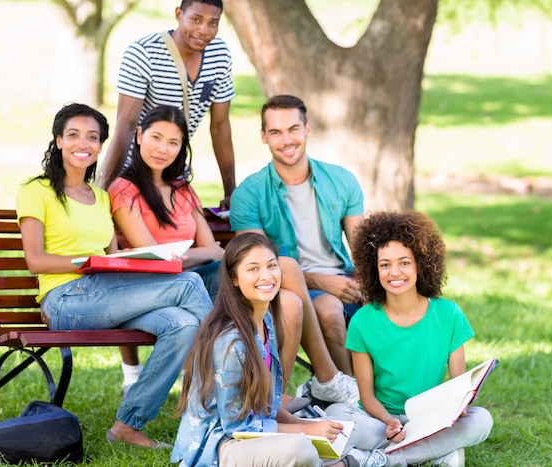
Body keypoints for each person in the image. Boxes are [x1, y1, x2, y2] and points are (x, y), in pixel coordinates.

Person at [108, 104, 357, 408]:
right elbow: (158, 261)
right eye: (156, 138)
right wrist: (191, 254)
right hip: (166, 289)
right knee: (286, 268)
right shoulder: (123, 189)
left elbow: (213, 248)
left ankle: (271, 398)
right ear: (138, 136)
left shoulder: (181, 189)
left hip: (203, 279)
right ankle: (328, 378)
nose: (163, 149)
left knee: (290, 298)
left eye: (173, 142)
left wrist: (185, 255)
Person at [16, 103, 213, 448]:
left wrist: (132, 260)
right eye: (74, 135)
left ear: (101, 145)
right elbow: (36, 260)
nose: (84, 143)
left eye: (93, 137)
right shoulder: (36, 191)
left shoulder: (101, 197)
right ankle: (235, 388)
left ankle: (126, 426)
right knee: (191, 283)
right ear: (59, 140)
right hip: (65, 300)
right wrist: (86, 262)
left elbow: (115, 258)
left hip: (104, 293)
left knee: (182, 323)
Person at [171, 233, 374, 466]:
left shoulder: (265, 319)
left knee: (350, 431)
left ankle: (341, 459)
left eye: (272, 266)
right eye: (253, 269)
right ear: (234, 278)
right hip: (222, 444)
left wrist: (305, 425)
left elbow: (266, 403)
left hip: (258, 434)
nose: (266, 276)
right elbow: (237, 426)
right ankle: (343, 463)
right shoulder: (231, 342)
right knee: (301, 449)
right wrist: (306, 433)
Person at [324, 211, 494, 467]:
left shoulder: (448, 314)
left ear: (421, 264)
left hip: (430, 418)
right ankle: (434, 450)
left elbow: (460, 385)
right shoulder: (362, 321)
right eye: (385, 264)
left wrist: (460, 406)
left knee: (481, 420)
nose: (395, 272)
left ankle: (376, 459)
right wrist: (388, 422)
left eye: (404, 262)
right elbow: (366, 396)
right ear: (374, 268)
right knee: (335, 413)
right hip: (380, 421)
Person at [230, 94, 364, 377]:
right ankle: (351, 394)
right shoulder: (249, 194)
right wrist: (322, 282)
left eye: (293, 129)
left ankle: (400, 394)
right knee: (329, 310)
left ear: (307, 129)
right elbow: (258, 267)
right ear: (264, 137)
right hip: (287, 287)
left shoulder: (341, 181)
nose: (286, 140)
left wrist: (368, 283)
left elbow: (362, 248)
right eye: (276, 132)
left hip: (345, 280)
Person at [100, 0, 236, 210]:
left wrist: (231, 192)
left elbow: (220, 127)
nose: (204, 30)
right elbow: (126, 125)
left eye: (213, 23)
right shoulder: (143, 53)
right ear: (179, 14)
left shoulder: (220, 55)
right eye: (196, 19)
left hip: (174, 170)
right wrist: (105, 189)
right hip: (131, 171)